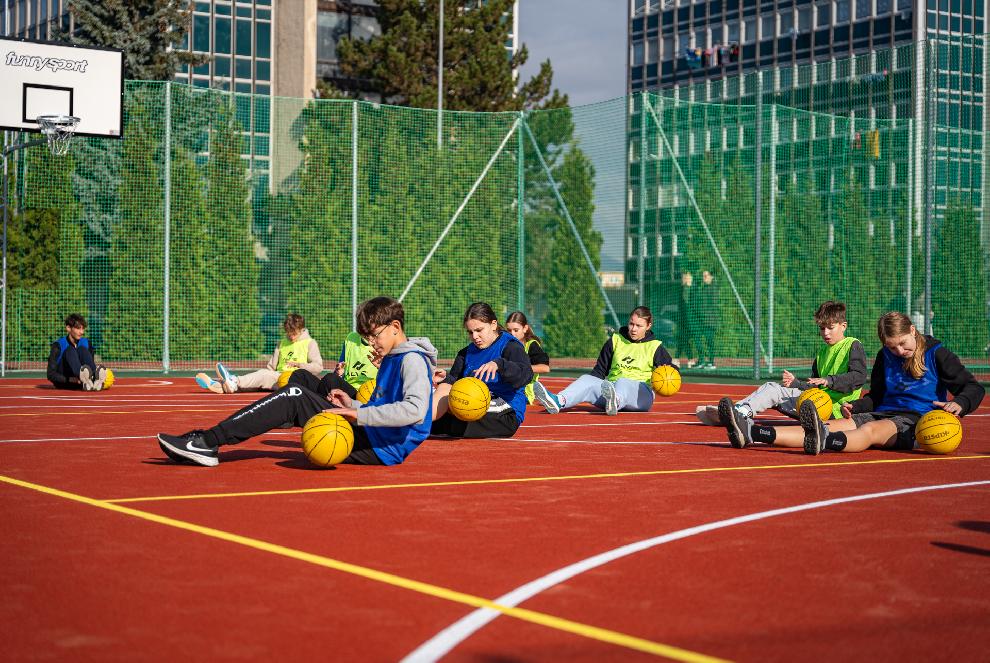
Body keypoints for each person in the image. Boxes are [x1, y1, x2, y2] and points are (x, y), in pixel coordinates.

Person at [158, 297, 437, 467]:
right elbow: (384, 405)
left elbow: (414, 411)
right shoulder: (392, 356)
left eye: (374, 335)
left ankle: (207, 442)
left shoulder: (411, 360)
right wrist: (351, 402)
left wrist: (357, 413)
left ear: (396, 328)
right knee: (298, 386)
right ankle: (207, 440)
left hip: (381, 448)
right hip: (373, 436)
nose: (371, 343)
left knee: (293, 394)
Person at [795, 311, 984, 455]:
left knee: (869, 430)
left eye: (902, 343)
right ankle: (766, 434)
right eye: (892, 347)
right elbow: (877, 396)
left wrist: (960, 402)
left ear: (912, 330)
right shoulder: (884, 356)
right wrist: (857, 406)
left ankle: (825, 440)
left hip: (915, 420)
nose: (900, 351)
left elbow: (973, 388)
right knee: (828, 424)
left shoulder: (936, 354)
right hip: (882, 412)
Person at [703, 301, 867, 450]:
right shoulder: (822, 353)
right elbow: (815, 386)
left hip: (837, 411)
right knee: (772, 388)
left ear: (843, 326)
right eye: (822, 328)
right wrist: (796, 383)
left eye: (830, 328)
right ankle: (739, 413)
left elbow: (859, 377)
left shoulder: (852, 345)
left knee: (801, 401)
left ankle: (740, 421)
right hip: (814, 403)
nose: (826, 333)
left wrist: (829, 380)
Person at [533, 306, 675, 416]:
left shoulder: (655, 346)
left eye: (639, 326)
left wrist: (667, 378)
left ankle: (615, 401)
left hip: (640, 396)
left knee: (623, 382)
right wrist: (590, 383)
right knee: (586, 379)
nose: (633, 329)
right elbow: (599, 372)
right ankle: (559, 401)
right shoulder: (615, 340)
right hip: (611, 390)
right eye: (631, 324)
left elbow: (672, 371)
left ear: (649, 326)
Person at [431, 302, 533, 438]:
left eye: (479, 330)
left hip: (506, 413)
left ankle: (419, 424)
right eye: (470, 332)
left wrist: (500, 365)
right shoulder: (465, 353)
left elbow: (526, 374)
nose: (474, 336)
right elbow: (454, 382)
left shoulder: (510, 346)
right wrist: (446, 378)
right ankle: (417, 422)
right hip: (472, 406)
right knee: (443, 393)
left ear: (493, 324)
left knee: (453, 408)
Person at [195, 313, 323, 394]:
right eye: (288, 333)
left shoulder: (310, 343)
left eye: (294, 334)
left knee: (263, 376)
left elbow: (318, 367)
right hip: (279, 378)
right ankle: (221, 385)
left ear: (301, 330)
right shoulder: (282, 343)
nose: (291, 336)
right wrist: (259, 379)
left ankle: (232, 380)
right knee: (258, 380)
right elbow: (271, 368)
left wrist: (300, 365)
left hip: (296, 379)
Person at [288, 330, 379, 400]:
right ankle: (295, 409)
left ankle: (316, 409)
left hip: (363, 394)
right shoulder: (351, 338)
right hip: (346, 387)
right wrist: (338, 373)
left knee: (330, 379)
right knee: (299, 375)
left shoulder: (385, 342)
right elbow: (340, 370)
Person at [46, 313, 108, 391]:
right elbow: (51, 374)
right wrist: (69, 379)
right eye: (78, 328)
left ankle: (95, 378)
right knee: (70, 350)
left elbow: (89, 363)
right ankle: (83, 376)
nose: (81, 332)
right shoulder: (58, 345)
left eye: (83, 328)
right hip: (66, 382)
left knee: (82, 349)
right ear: (68, 328)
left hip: (82, 384)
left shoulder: (86, 343)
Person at [505, 310, 550, 404]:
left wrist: (520, 368)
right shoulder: (507, 344)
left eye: (516, 330)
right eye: (509, 330)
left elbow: (545, 368)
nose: (512, 334)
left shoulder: (531, 345)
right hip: (508, 388)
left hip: (525, 392)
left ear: (525, 328)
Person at [692, 269, 718, 369]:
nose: (704, 278)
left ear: (711, 277)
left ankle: (711, 362)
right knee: (698, 340)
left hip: (709, 321)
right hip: (700, 321)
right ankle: (701, 361)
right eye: (703, 276)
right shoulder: (702, 288)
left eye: (706, 276)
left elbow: (712, 304)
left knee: (709, 341)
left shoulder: (713, 288)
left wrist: (704, 313)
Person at [675, 271, 699, 368]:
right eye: (684, 278)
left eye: (687, 277)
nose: (686, 279)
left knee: (684, 340)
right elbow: (681, 305)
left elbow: (694, 304)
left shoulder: (693, 289)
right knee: (683, 339)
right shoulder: (682, 289)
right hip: (683, 320)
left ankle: (679, 358)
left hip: (691, 320)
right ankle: (688, 359)